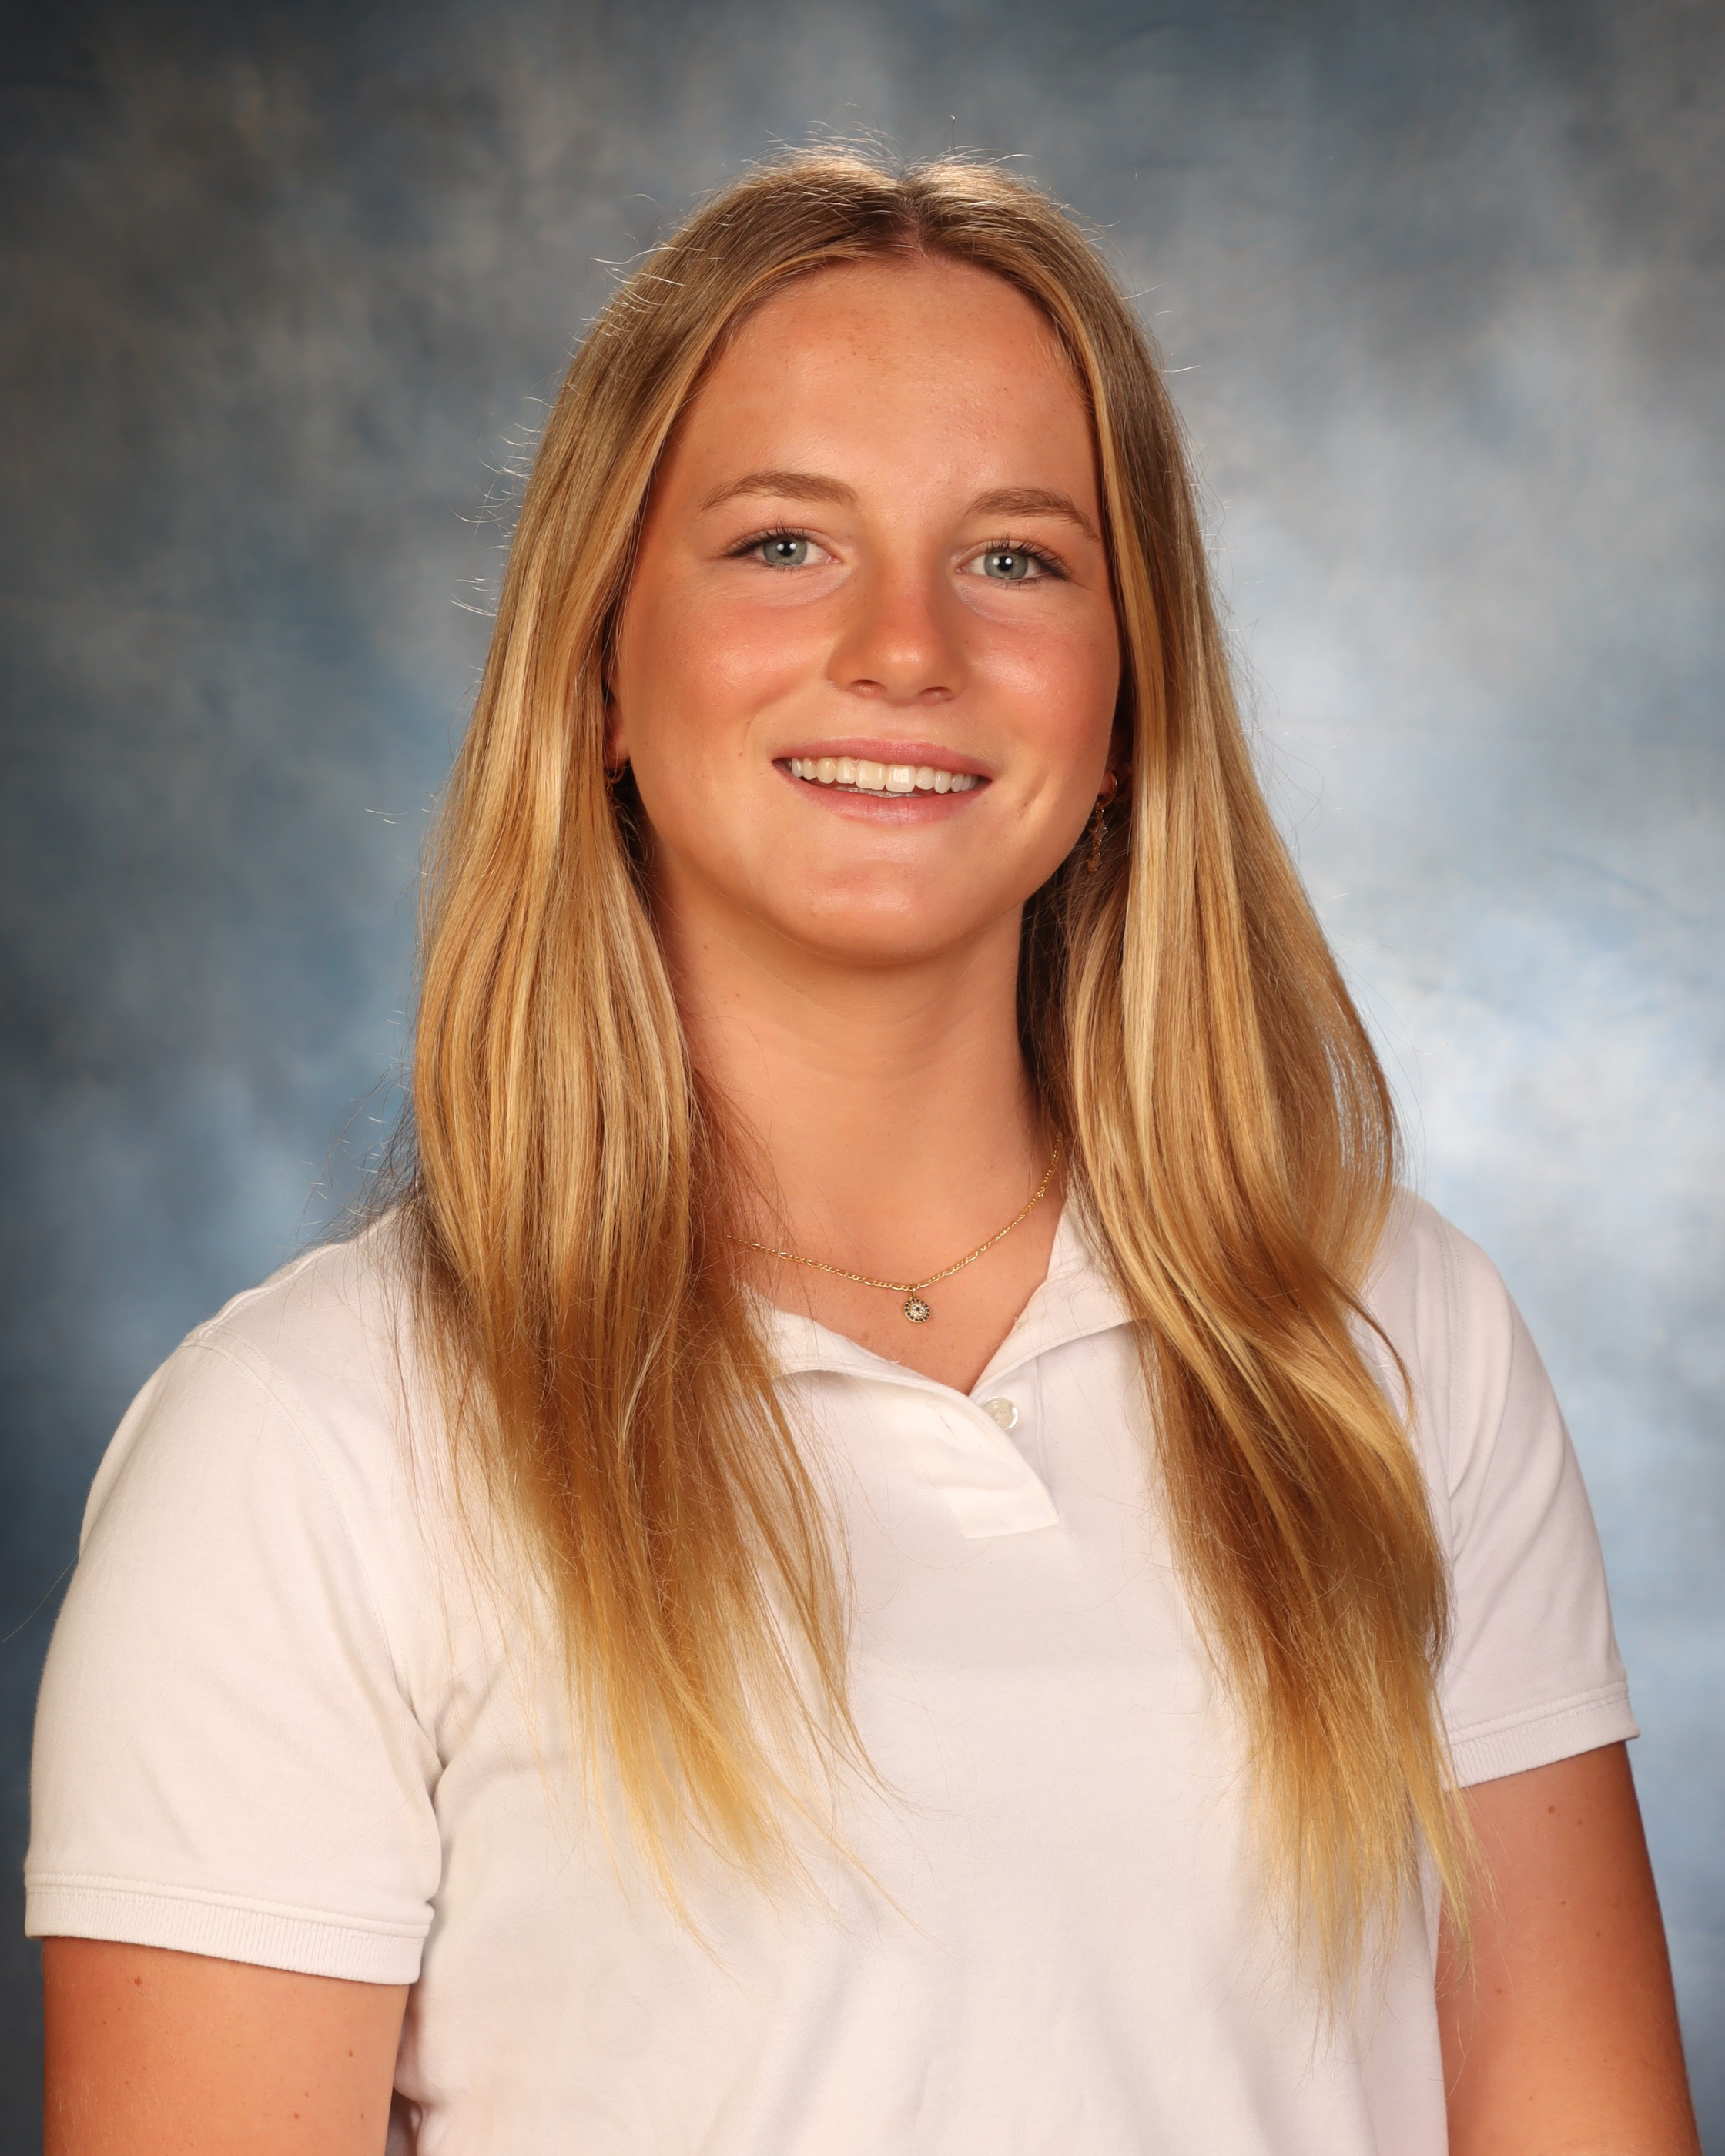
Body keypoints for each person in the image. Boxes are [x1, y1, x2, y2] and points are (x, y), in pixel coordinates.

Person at [29, 152, 1700, 2156]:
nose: (907, 648)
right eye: (782, 544)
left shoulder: (1387, 1344)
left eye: (1017, 559)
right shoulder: (305, 1444)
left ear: (1127, 702)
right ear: (601, 665)